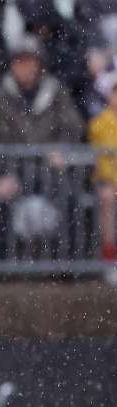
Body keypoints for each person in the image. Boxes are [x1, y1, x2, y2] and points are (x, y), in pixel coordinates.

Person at [0, 38, 84, 259]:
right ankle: (4, 266)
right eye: (19, 62)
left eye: (29, 61)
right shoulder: (1, 97)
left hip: (51, 169)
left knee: (69, 197)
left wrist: (61, 149)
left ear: (39, 64)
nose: (24, 67)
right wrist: (4, 172)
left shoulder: (56, 92)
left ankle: (65, 263)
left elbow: (73, 126)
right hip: (16, 169)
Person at [89, 83, 117, 276]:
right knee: (107, 200)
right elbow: (95, 158)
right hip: (107, 181)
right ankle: (110, 260)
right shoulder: (98, 124)